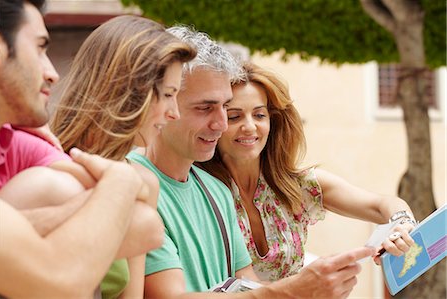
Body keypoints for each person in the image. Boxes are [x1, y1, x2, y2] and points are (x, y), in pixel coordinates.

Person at [126, 25, 374, 299]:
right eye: (205, 108)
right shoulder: (130, 185)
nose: (221, 124)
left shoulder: (216, 192)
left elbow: (246, 283)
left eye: (224, 108)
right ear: (162, 101)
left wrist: (312, 290)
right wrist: (295, 290)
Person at [197, 62, 417, 281]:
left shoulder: (296, 185)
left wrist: (402, 224)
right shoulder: (198, 193)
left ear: (273, 121)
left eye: (259, 115)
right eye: (234, 116)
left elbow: (381, 205)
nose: (250, 127)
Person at [0, 1, 155, 297]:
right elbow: (61, 280)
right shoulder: (118, 173)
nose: (52, 72)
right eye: (40, 48)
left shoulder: (15, 141)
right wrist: (118, 182)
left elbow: (147, 226)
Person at [50, 15, 197, 298]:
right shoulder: (50, 171)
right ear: (128, 91)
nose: (174, 113)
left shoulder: (143, 183)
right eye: (168, 94)